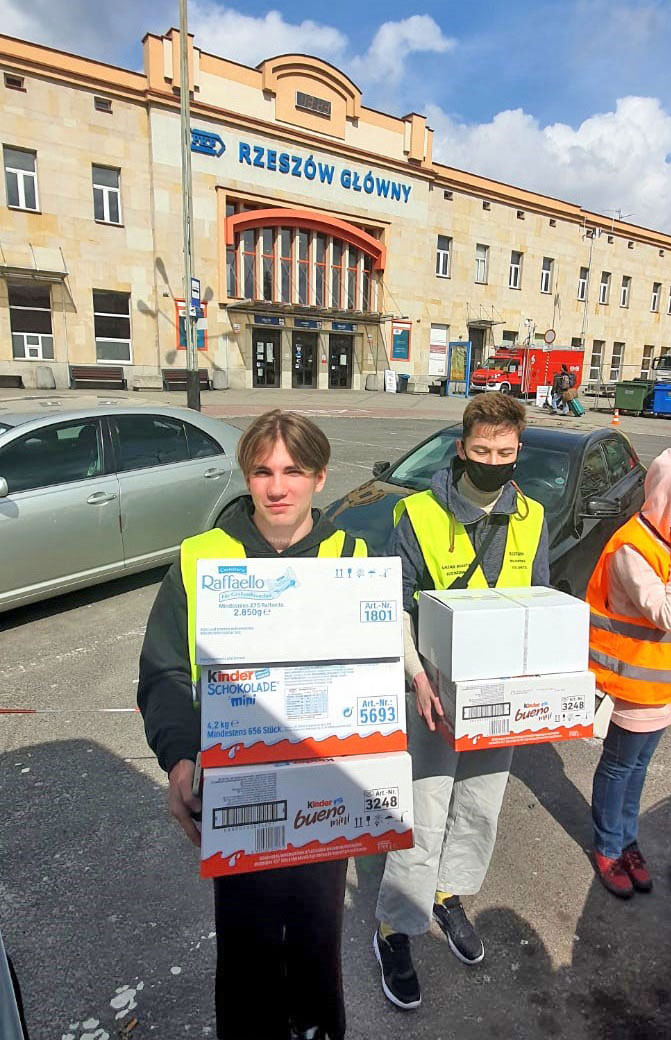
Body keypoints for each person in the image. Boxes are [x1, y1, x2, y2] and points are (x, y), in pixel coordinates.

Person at [137, 410, 367, 1040]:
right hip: (237, 787)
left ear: (320, 478)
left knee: (320, 932)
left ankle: (320, 1027)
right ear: (246, 475)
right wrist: (181, 757)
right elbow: (163, 673)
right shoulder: (200, 560)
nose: (277, 487)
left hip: (326, 787)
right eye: (263, 470)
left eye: (294, 471)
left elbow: (369, 674)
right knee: (246, 940)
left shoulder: (352, 558)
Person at [373, 392, 549, 1009]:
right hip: (433, 690)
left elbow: (542, 606)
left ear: (517, 450)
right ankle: (395, 926)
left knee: (479, 806)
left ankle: (449, 896)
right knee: (423, 811)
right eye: (482, 451)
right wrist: (417, 678)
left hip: (498, 694)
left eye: (505, 452)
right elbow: (392, 606)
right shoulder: (417, 514)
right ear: (462, 450)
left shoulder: (532, 515)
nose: (494, 461)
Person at [586, 448, 671, 899]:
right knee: (620, 766)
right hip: (633, 689)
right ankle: (609, 846)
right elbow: (665, 611)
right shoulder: (633, 547)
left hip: (664, 686)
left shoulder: (668, 542)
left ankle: (627, 841)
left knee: (638, 768)